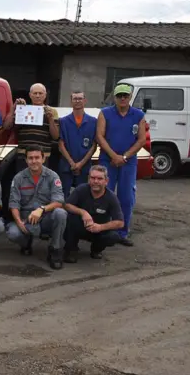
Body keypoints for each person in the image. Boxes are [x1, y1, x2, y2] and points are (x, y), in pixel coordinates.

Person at [96, 83, 146, 247]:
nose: (122, 98)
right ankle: (102, 230)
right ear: (115, 97)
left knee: (126, 197)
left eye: (125, 95)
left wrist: (124, 157)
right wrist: (113, 156)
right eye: (119, 96)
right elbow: (100, 136)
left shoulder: (138, 115)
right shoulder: (105, 113)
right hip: (107, 161)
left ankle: (121, 232)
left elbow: (141, 140)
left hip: (128, 162)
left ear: (130, 97)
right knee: (103, 195)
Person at [6, 145, 67, 270]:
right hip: (26, 220)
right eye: (30, 158)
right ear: (26, 160)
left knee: (60, 213)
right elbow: (14, 203)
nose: (34, 161)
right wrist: (18, 221)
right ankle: (26, 242)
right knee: (12, 233)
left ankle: (55, 250)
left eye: (37, 157)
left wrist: (42, 209)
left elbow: (59, 201)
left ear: (43, 158)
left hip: (45, 218)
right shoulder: (18, 178)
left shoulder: (52, 176)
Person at [63, 165, 124, 263]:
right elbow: (66, 205)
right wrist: (82, 212)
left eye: (100, 179)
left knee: (113, 237)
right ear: (88, 179)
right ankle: (71, 249)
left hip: (98, 230)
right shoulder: (81, 189)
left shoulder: (111, 197)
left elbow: (120, 222)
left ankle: (96, 249)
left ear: (106, 181)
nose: (95, 181)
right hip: (81, 226)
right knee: (69, 219)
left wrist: (100, 227)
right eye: (93, 178)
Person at [3, 83, 59, 171]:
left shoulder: (52, 111)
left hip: (43, 155)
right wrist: (13, 109)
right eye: (35, 93)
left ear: (45, 95)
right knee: (23, 182)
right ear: (30, 95)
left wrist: (51, 119)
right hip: (24, 154)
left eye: (40, 93)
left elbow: (56, 136)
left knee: (41, 182)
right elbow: (6, 126)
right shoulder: (23, 109)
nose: (37, 96)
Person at [58, 90, 97, 199]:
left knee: (83, 196)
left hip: (84, 166)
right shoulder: (63, 121)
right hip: (66, 165)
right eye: (75, 98)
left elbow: (94, 145)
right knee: (64, 195)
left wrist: (80, 164)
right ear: (71, 101)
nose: (78, 101)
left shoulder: (93, 122)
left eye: (80, 98)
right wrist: (72, 163)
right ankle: (64, 216)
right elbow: (61, 144)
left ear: (85, 101)